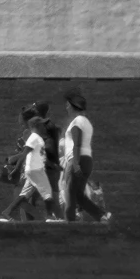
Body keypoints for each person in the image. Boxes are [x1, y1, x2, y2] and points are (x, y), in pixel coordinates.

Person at [53, 87, 111, 225]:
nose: (66, 107)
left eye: (68, 105)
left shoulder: (77, 122)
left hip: (76, 159)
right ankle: (102, 216)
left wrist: (75, 163)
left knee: (69, 194)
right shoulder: (86, 122)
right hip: (86, 160)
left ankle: (70, 223)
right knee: (78, 195)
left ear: (74, 106)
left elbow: (77, 144)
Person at [0, 105, 52, 224]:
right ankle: (41, 220)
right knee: (25, 197)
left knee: (23, 198)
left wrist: (13, 160)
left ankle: (40, 220)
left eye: (20, 116)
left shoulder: (29, 133)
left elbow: (26, 153)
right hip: (32, 169)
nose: (18, 119)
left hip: (28, 170)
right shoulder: (31, 133)